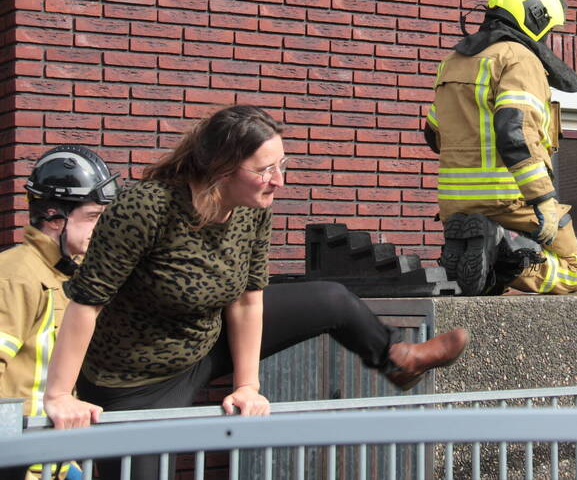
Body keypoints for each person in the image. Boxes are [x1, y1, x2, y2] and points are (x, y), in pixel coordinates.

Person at [41, 106, 469, 478]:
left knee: (331, 299)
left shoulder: (252, 210)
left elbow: (247, 298)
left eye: (282, 165)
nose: (278, 181)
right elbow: (87, 302)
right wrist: (60, 395)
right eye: (265, 170)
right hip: (133, 381)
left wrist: (247, 384)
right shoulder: (147, 208)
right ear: (223, 170)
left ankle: (398, 359)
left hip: (206, 343)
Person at [423, 0, 577, 295]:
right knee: (574, 271)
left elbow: (433, 134)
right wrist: (542, 199)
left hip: (456, 203)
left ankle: (486, 251)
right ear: (535, 16)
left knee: (487, 284)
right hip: (510, 198)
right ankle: (508, 257)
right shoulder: (519, 59)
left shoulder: (452, 63)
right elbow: (515, 133)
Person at [0, 146, 117, 480]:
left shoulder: (68, 274)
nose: (102, 228)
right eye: (93, 217)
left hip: (58, 464)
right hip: (20, 466)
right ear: (54, 217)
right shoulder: (17, 275)